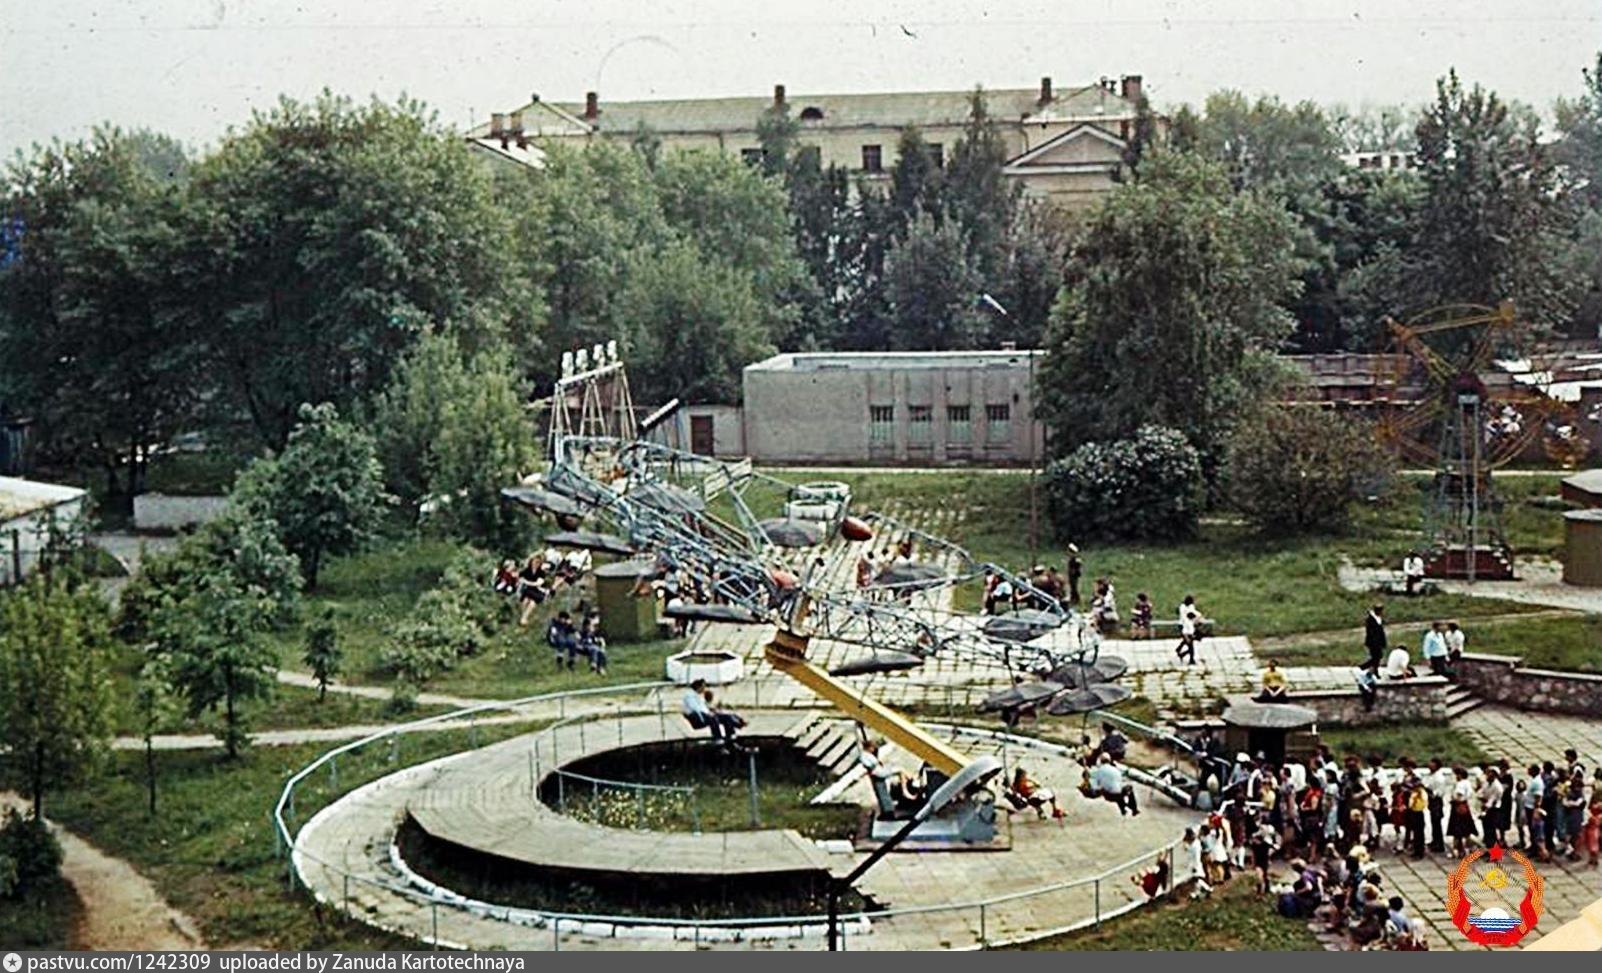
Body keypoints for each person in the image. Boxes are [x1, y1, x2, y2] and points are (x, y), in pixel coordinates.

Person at [681, 678, 743, 745]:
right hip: (697, 718)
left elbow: (704, 706)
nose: (704, 689)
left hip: (704, 715)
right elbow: (696, 708)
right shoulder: (689, 696)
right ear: (698, 687)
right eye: (703, 687)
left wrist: (712, 709)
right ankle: (718, 738)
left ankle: (731, 735)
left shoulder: (698, 696)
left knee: (725, 717)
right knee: (713, 718)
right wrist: (708, 713)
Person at [518, 555, 549, 626]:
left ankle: (523, 618)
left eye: (538, 562)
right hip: (527, 590)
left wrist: (527, 582)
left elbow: (539, 583)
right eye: (534, 562)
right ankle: (523, 617)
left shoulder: (541, 572)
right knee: (525, 602)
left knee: (532, 603)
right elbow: (520, 577)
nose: (535, 564)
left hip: (536, 591)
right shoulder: (527, 570)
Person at [1183, 827, 1212, 897]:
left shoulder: (1194, 846)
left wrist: (1194, 866)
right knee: (1196, 879)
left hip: (1195, 864)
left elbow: (1193, 855)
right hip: (1195, 863)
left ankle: (1207, 888)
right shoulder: (1197, 842)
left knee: (1196, 879)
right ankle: (1197, 892)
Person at [1176, 595, 1201, 665]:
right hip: (1184, 625)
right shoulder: (1183, 608)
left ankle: (1180, 651)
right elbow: (1184, 617)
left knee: (1190, 642)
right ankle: (1191, 659)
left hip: (1189, 627)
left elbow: (1193, 613)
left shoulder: (1190, 607)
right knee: (1190, 644)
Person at [1363, 604, 1387, 670]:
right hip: (1373, 643)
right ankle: (1363, 667)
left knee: (1378, 657)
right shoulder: (1370, 620)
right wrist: (1375, 642)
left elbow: (1381, 632)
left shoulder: (1379, 619)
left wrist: (1383, 642)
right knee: (1376, 657)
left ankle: (1373, 670)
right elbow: (1370, 632)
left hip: (1379, 642)